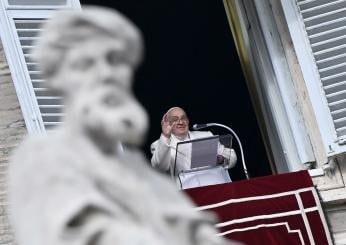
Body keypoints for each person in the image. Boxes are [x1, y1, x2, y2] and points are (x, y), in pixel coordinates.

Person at [8, 6, 238, 245]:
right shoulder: (42, 156)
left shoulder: (204, 135)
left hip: (219, 198)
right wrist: (165, 137)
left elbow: (228, 160)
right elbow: (159, 165)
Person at [151, 107, 237, 188]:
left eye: (183, 118)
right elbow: (159, 167)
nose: (181, 122)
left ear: (188, 120)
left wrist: (221, 159)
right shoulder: (159, 144)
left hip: (217, 187)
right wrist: (165, 135)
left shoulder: (206, 135)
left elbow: (231, 156)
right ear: (168, 124)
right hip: (188, 195)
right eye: (175, 119)